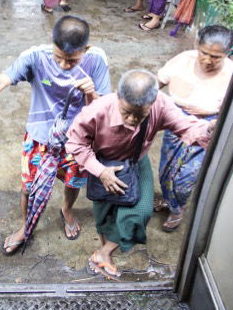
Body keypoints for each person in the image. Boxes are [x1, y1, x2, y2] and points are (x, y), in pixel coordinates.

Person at [0, 16, 111, 255]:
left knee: (72, 182)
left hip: (78, 141)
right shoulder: (35, 57)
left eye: (71, 60)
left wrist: (91, 93)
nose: (63, 65)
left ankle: (66, 209)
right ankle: (25, 227)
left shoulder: (96, 61)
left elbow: (104, 109)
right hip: (39, 138)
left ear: (86, 49)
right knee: (28, 188)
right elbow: (1, 80)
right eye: (58, 56)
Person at [66, 69, 214, 278]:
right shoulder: (96, 111)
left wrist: (208, 130)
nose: (132, 120)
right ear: (118, 96)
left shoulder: (161, 104)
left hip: (136, 162)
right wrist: (101, 172)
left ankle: (103, 252)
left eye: (140, 114)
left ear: (152, 102)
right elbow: (75, 143)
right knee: (104, 215)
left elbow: (185, 125)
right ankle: (104, 252)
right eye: (127, 112)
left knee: (140, 213)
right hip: (102, 165)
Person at [155, 26, 233, 231]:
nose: (208, 60)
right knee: (166, 170)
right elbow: (157, 82)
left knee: (186, 177)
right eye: (204, 53)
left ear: (227, 54)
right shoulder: (184, 60)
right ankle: (168, 200)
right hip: (175, 120)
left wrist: (217, 123)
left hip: (207, 126)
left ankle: (177, 207)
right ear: (197, 46)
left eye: (216, 57)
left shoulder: (232, 74)